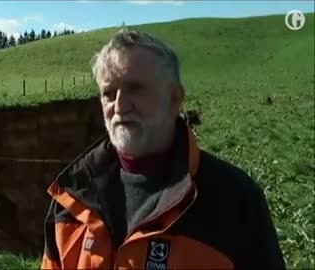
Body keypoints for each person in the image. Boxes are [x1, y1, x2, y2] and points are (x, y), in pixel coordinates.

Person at [40, 29, 285, 269]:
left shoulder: (234, 201)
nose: (120, 106)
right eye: (109, 94)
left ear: (175, 98)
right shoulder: (72, 197)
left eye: (135, 88)